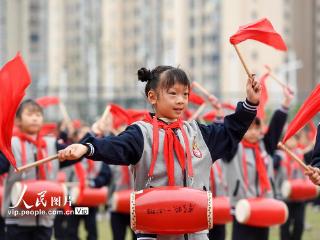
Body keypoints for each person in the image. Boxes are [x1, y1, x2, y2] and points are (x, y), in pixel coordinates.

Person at [58, 65, 261, 240]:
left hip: (195, 233)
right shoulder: (141, 133)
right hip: (153, 232)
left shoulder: (199, 133)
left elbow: (231, 130)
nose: (181, 100)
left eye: (185, 94)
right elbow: (117, 145)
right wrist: (87, 147)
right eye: (173, 93)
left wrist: (250, 103)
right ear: (152, 97)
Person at [0, 99, 81, 240]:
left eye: (38, 115)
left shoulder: (51, 144)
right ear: (18, 120)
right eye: (30, 114)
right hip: (17, 220)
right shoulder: (11, 145)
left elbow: (75, 154)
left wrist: (92, 135)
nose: (35, 118)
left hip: (45, 219)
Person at [222, 87, 293, 240]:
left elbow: (275, 129)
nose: (253, 132)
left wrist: (285, 103)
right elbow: (229, 131)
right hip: (242, 206)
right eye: (249, 128)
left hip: (263, 204)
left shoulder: (264, 146)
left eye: (257, 128)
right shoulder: (233, 147)